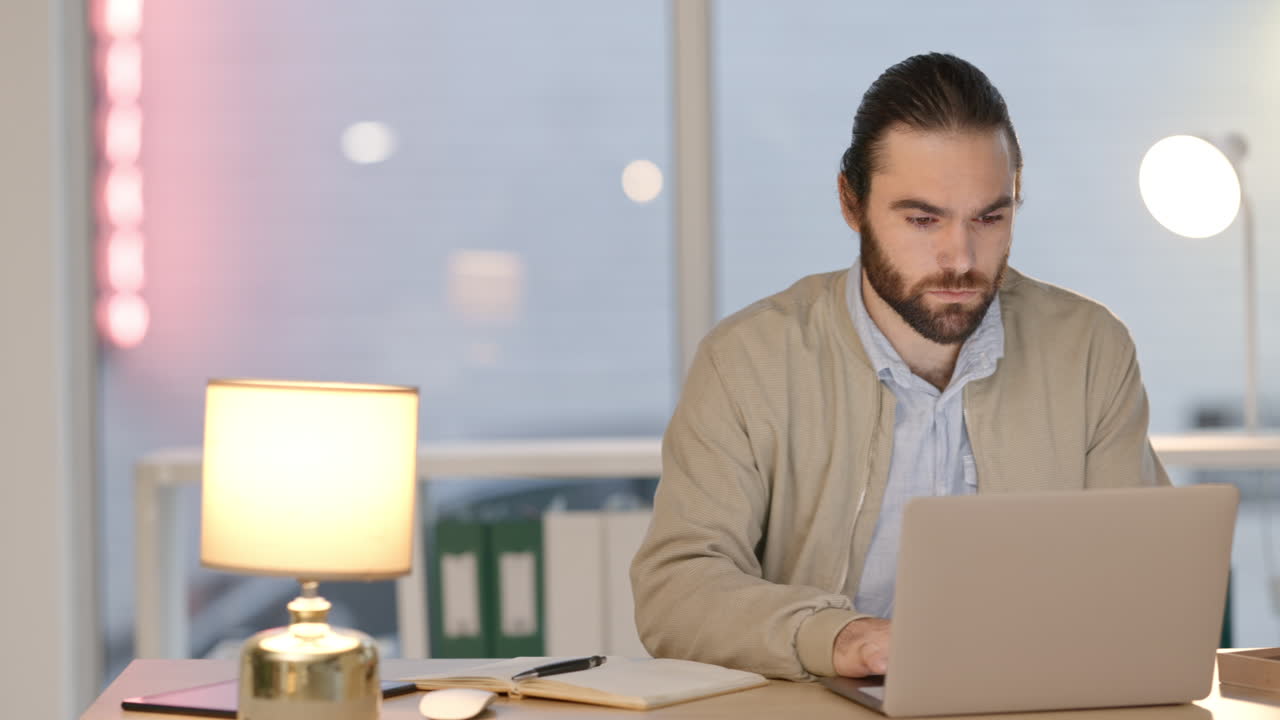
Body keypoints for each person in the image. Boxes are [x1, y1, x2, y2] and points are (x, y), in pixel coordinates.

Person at [630, 52, 1168, 682]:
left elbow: (1145, 576)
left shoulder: (1089, 349)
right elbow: (677, 589)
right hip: (821, 703)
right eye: (922, 220)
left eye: (990, 217)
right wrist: (841, 639)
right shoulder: (748, 359)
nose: (960, 257)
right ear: (850, 203)